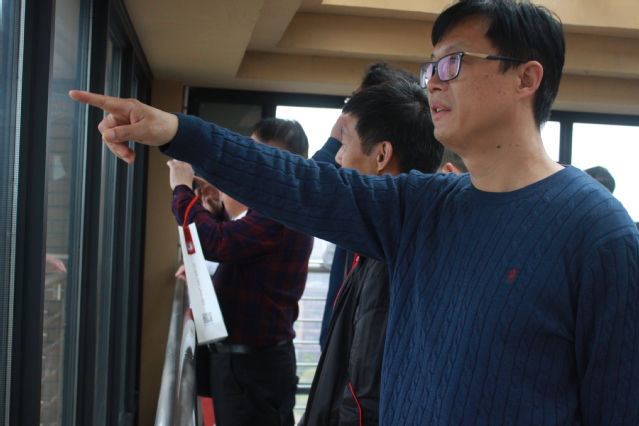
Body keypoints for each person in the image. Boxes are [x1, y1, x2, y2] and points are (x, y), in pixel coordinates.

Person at [69, 1, 639, 423]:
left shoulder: (598, 236)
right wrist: (176, 131)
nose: (433, 84)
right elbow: (303, 184)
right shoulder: (422, 207)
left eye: (453, 64)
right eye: (430, 69)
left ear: (527, 78)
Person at [301, 80, 443, 425]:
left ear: (381, 156)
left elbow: (364, 398)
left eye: (344, 142)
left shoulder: (387, 260)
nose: (337, 158)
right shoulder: (404, 236)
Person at [168, 118, 314, 426]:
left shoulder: (279, 213)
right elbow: (238, 248)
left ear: (283, 161)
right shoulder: (283, 208)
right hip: (255, 362)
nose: (249, 162)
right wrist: (216, 213)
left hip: (251, 367)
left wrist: (182, 189)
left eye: (258, 155)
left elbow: (215, 242)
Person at [312, 61, 420, 350]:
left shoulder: (382, 210)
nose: (346, 113)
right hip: (344, 344)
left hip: (359, 356)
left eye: (355, 104)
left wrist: (335, 135)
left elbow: (313, 189)